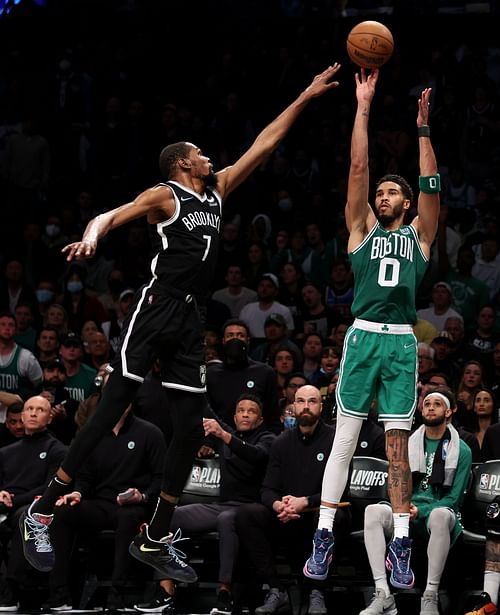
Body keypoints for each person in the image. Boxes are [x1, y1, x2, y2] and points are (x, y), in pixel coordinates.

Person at [20, 64, 342, 583]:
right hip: (156, 307)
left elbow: (265, 143)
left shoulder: (216, 191)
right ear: (182, 163)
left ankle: (156, 533)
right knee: (110, 410)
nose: (208, 154)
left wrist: (304, 95)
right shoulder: (165, 196)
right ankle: (40, 510)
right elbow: (111, 214)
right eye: (199, 150)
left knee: (191, 429)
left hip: (191, 318)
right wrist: (92, 236)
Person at [303, 69, 440, 587]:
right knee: (344, 441)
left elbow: (432, 184)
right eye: (378, 192)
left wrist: (423, 129)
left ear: (404, 205)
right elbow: (358, 165)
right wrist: (363, 106)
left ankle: (402, 541)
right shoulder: (360, 230)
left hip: (401, 343)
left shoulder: (421, 236)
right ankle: (324, 532)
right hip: (361, 337)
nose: (381, 196)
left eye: (390, 193)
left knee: (397, 448)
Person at [138, 394, 275, 615]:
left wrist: (223, 435)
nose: (246, 414)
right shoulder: (228, 434)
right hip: (221, 505)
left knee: (227, 519)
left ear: (259, 419)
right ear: (235, 415)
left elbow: (257, 455)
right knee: (170, 516)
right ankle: (166, 591)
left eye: (251, 411)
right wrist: (193, 386)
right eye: (241, 410)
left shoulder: (267, 438)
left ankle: (225, 593)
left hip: (249, 509)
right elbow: (205, 409)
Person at [235, 385, 349, 615]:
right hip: (287, 516)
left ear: (321, 406)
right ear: (293, 406)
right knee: (246, 514)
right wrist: (279, 505)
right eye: (300, 401)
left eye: (312, 401)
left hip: (318, 514)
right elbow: (267, 488)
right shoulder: (281, 442)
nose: (306, 406)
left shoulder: (336, 441)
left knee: (334, 516)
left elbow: (343, 491)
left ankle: (318, 591)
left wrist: (305, 501)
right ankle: (276, 588)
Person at [359, 388, 472, 615]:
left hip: (437, 512)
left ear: (449, 411)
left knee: (441, 515)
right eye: (427, 403)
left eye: (437, 404)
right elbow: (394, 485)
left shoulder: (462, 450)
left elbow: (454, 500)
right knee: (372, 511)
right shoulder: (407, 444)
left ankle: (430, 595)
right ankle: (383, 593)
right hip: (405, 508)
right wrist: (403, 508)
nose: (430, 407)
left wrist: (420, 510)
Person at [47, 406, 166, 612]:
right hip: (100, 503)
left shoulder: (150, 433)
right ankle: (59, 593)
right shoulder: (93, 432)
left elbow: (161, 478)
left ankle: (117, 592)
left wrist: (143, 495)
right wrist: (78, 493)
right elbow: (84, 477)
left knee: (128, 517)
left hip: (135, 505)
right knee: (63, 512)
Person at [0, 396, 67, 611]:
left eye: (40, 409)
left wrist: (13, 500)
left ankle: (11, 591)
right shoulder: (6, 452)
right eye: (29, 409)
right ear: (21, 415)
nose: (34, 413)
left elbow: (50, 487)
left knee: (24, 517)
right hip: (6, 505)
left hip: (35, 506)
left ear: (49, 418)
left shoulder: (57, 450)